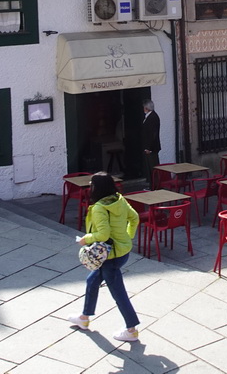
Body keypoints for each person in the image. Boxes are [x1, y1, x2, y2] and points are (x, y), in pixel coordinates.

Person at [67, 172, 141, 343]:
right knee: (92, 281)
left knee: (118, 292)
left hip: (110, 256)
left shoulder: (100, 207)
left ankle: (131, 329)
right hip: (121, 252)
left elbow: (103, 234)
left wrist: (86, 239)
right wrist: (128, 237)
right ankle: (84, 317)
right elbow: (134, 218)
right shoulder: (119, 199)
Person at [142, 100, 161, 188]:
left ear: (146, 108)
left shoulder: (153, 117)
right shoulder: (149, 116)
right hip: (149, 147)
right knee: (150, 168)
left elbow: (153, 134)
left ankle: (156, 186)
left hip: (152, 148)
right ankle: (152, 186)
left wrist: (149, 148)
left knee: (153, 167)